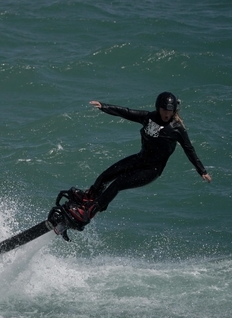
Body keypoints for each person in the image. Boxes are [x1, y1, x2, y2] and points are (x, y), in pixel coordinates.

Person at [65, 92, 212, 225]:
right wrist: (104, 106)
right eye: (164, 110)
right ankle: (88, 198)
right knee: (106, 176)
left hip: (151, 170)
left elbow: (189, 149)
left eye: (170, 111)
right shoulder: (148, 117)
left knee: (118, 184)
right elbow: (126, 112)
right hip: (139, 159)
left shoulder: (177, 129)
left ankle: (90, 212)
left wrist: (202, 171)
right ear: (158, 107)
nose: (167, 113)